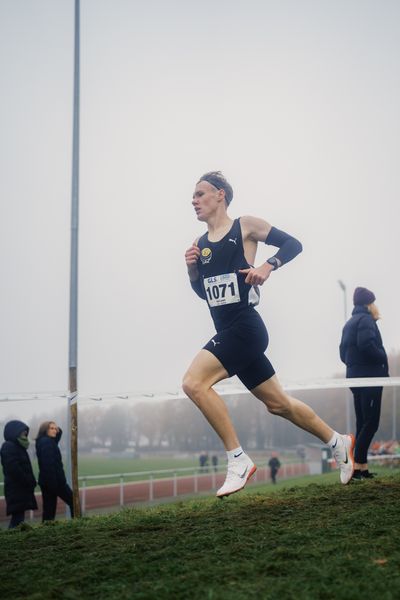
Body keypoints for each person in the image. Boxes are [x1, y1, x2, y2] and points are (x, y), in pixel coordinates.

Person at [183, 170, 355, 498]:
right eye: (192, 196)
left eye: (201, 194)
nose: (194, 200)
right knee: (279, 404)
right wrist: (192, 271)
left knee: (193, 383)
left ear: (220, 195)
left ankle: (238, 460)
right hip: (229, 333)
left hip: (246, 329)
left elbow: (294, 244)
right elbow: (206, 295)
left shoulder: (245, 226)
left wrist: (267, 266)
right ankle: (338, 441)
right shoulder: (199, 245)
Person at [339, 287, 389, 480]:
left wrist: (354, 366)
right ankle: (354, 467)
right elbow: (366, 344)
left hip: (355, 377)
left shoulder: (349, 322)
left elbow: (342, 353)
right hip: (370, 378)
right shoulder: (366, 320)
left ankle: (361, 468)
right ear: (369, 304)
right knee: (371, 423)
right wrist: (382, 357)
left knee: (362, 422)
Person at [0, 420, 38, 528]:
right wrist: (28, 481)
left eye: (26, 432)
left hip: (20, 488)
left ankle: (14, 540)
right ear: (13, 432)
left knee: (19, 518)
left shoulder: (18, 446)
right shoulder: (9, 446)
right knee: (17, 520)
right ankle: (10, 541)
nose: (25, 434)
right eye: (22, 432)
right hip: (16, 488)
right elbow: (14, 469)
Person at [35, 421, 74, 521]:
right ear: (45, 430)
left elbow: (56, 437)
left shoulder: (45, 441)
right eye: (51, 428)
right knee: (74, 501)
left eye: (55, 428)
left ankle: (46, 532)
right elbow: (48, 465)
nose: (55, 430)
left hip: (47, 481)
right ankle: (78, 524)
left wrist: (57, 429)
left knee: (49, 511)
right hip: (55, 481)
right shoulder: (47, 443)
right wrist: (53, 484)